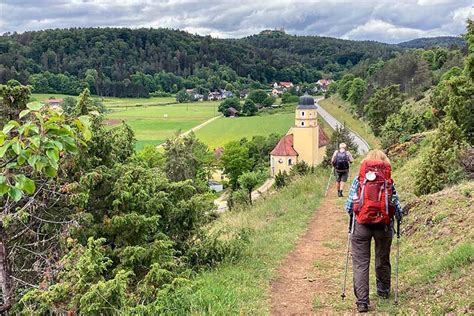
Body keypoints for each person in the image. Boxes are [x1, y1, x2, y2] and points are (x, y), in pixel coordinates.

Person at [344, 150, 403, 313]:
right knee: (382, 258)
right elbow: (397, 207)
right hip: (384, 225)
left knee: (361, 262)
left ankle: (362, 302)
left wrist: (355, 215)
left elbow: (349, 206)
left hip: (361, 225)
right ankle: (383, 291)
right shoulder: (388, 181)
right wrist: (397, 217)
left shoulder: (359, 180)